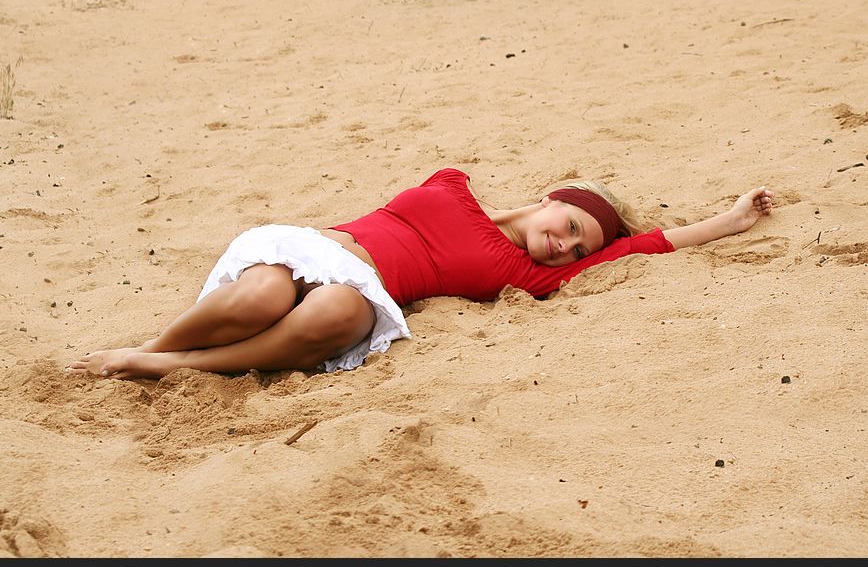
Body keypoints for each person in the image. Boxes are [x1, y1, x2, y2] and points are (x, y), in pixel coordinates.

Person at [66, 168, 773, 379]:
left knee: (339, 317)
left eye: (576, 249)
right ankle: (159, 345)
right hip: (314, 246)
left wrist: (729, 221)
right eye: (569, 227)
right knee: (263, 292)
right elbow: (454, 217)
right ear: (552, 200)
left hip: (362, 287)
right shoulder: (455, 185)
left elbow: (643, 245)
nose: (563, 248)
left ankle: (163, 368)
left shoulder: (527, 276)